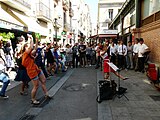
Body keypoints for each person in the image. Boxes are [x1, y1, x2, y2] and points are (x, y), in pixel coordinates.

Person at [22, 34, 51, 105]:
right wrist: (31, 38)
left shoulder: (29, 55)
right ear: (25, 48)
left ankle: (46, 94)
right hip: (32, 72)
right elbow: (32, 47)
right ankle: (33, 99)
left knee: (43, 80)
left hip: (36, 69)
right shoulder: (25, 54)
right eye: (27, 47)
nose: (29, 48)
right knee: (36, 86)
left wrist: (37, 41)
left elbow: (35, 49)